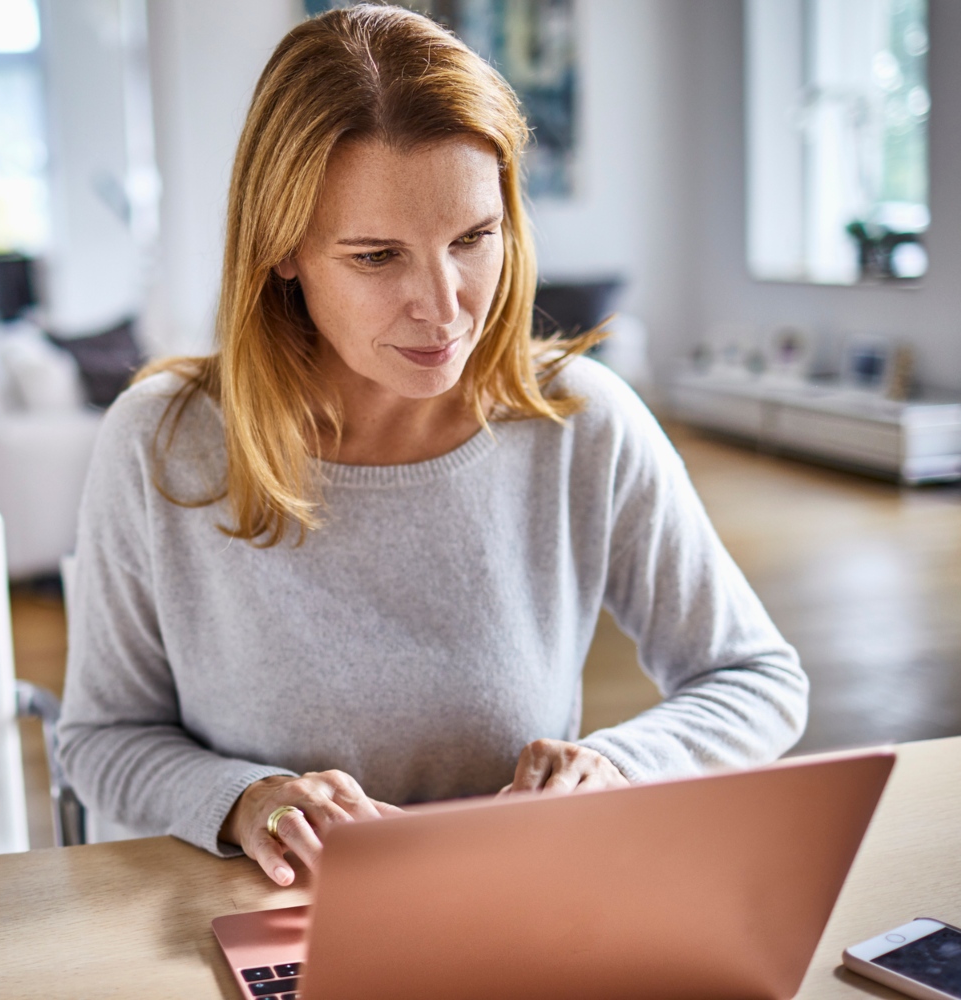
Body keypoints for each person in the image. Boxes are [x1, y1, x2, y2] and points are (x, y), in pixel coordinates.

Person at [57, 5, 808, 887]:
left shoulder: (582, 423)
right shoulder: (161, 442)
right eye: (378, 256)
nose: (446, 305)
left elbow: (757, 677)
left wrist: (619, 768)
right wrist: (245, 798)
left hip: (514, 917)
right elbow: (101, 742)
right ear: (283, 250)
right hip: (269, 924)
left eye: (472, 239)